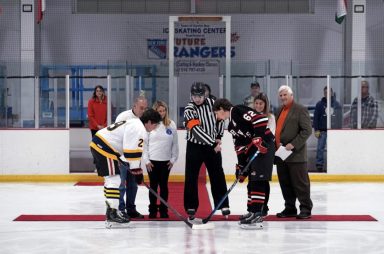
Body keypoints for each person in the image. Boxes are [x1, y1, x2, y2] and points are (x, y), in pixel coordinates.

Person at [90, 109, 161, 227]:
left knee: (111, 179)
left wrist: (134, 169)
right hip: (104, 147)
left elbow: (127, 150)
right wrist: (137, 172)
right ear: (148, 122)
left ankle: (111, 210)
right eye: (155, 124)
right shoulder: (140, 129)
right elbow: (131, 154)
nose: (155, 127)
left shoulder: (135, 123)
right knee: (114, 179)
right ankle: (112, 212)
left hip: (102, 145)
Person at [213, 98, 275, 229]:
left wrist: (258, 136)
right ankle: (252, 211)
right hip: (254, 148)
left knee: (258, 180)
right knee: (252, 180)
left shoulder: (237, 110)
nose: (216, 116)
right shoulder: (231, 126)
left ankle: (258, 213)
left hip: (265, 144)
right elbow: (240, 147)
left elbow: (260, 119)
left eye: (216, 113)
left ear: (221, 109)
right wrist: (240, 168)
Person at [183, 82, 230, 220]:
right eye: (194, 96)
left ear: (205, 95)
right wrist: (212, 143)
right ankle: (191, 206)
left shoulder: (213, 103)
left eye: (200, 96)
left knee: (217, 174)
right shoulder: (189, 109)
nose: (197, 99)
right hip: (195, 146)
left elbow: (220, 120)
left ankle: (223, 204)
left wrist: (218, 136)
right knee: (191, 176)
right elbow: (196, 131)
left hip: (212, 145)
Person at [275, 85, 313, 219]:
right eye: (281, 95)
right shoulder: (278, 110)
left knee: (300, 184)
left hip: (296, 155)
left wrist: (294, 144)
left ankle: (306, 208)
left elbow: (307, 130)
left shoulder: (300, 109)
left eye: (285, 95)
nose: (283, 97)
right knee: (285, 183)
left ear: (291, 95)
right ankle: (290, 208)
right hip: (281, 154)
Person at [143, 100, 179, 218]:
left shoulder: (171, 124)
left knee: (164, 186)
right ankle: (152, 210)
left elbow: (175, 144)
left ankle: (164, 210)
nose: (162, 113)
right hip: (152, 162)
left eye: (164, 111)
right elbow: (145, 144)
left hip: (166, 162)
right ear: (155, 111)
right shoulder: (150, 124)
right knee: (153, 186)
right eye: (159, 111)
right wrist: (146, 160)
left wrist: (173, 159)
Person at [115, 96, 148, 219]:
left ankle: (131, 209)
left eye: (145, 108)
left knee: (133, 185)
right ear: (134, 106)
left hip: (135, 159)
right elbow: (117, 138)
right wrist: (118, 157)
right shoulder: (123, 117)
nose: (143, 111)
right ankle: (120, 209)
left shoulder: (144, 120)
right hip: (122, 158)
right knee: (121, 185)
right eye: (141, 108)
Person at [253, 93, 276, 217]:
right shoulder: (251, 116)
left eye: (261, 103)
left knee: (263, 179)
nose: (258, 106)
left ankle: (264, 207)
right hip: (254, 150)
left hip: (266, 150)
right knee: (254, 179)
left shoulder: (270, 117)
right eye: (256, 103)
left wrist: (259, 141)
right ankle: (254, 207)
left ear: (265, 104)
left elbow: (270, 135)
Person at [313, 86, 342, 172]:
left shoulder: (337, 104)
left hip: (333, 132)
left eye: (329, 92)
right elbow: (316, 118)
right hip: (322, 131)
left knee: (333, 148)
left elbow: (339, 118)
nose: (327, 94)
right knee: (320, 148)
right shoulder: (319, 104)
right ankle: (319, 165)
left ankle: (334, 163)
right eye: (325, 92)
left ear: (332, 93)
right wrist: (316, 130)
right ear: (324, 93)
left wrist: (339, 130)